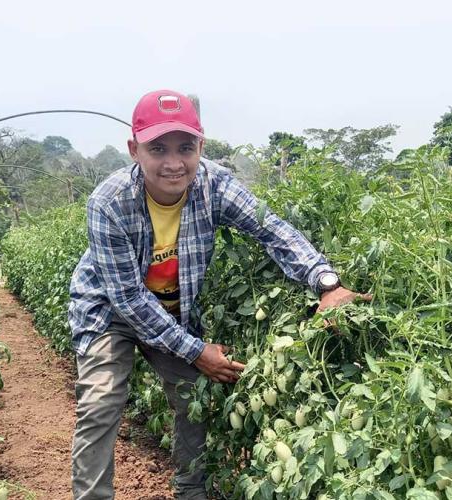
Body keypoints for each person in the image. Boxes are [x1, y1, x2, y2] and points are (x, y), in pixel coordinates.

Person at [68, 89, 370, 499]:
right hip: (110, 310)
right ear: (134, 150)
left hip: (172, 309)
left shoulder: (215, 185)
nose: (174, 162)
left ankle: (190, 492)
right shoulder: (109, 202)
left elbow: (272, 229)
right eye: (158, 148)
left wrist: (327, 284)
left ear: (201, 146)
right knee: (101, 402)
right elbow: (128, 300)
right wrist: (195, 349)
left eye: (185, 148)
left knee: (195, 396)